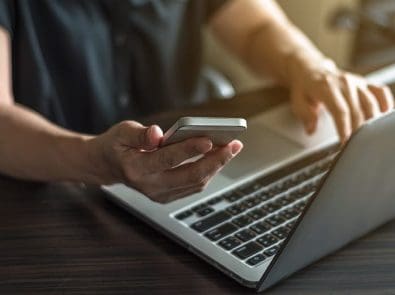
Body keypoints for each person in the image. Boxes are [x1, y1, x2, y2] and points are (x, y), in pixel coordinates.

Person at [0, 0, 392, 203]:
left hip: (195, 175)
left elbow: (254, 26)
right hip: (49, 187)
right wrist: (96, 161)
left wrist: (309, 66)